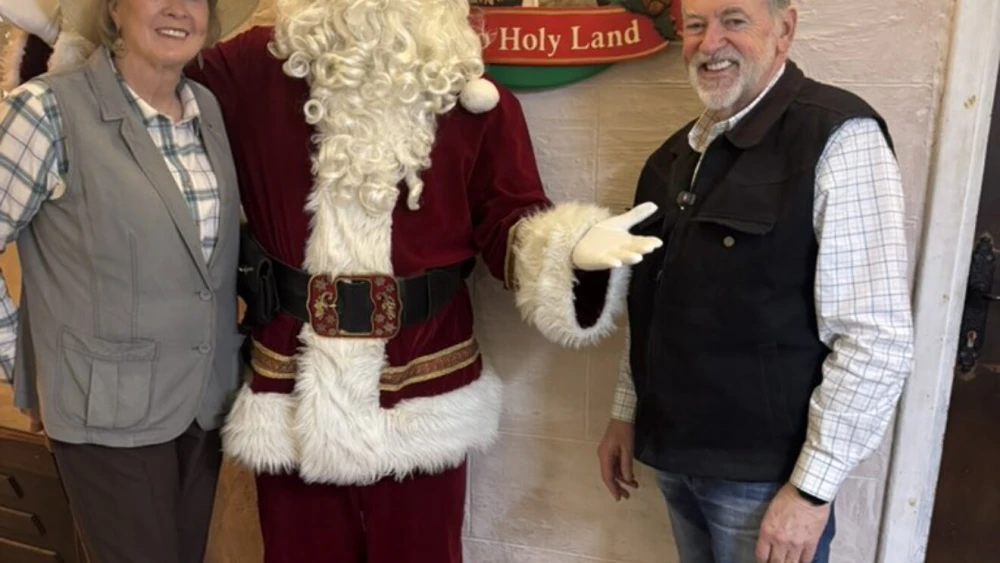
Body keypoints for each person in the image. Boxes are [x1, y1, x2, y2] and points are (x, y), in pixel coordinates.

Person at [1, 0, 665, 561]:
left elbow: (510, 220)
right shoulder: (248, 69)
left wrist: (570, 251)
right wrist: (65, 28)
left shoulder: (473, 91)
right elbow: (131, 72)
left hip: (424, 387)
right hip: (292, 388)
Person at [595, 0, 914, 562]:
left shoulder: (838, 138)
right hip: (673, 458)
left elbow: (875, 338)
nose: (710, 41)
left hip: (767, 486)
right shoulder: (670, 158)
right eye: (694, 26)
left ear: (784, 29)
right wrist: (627, 412)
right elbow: (651, 305)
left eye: (734, 20)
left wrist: (811, 491)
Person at [0, 0, 257, 561]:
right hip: (103, 415)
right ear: (115, 9)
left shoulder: (207, 109)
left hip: (202, 401)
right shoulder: (47, 109)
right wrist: (25, 361)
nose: (177, 9)